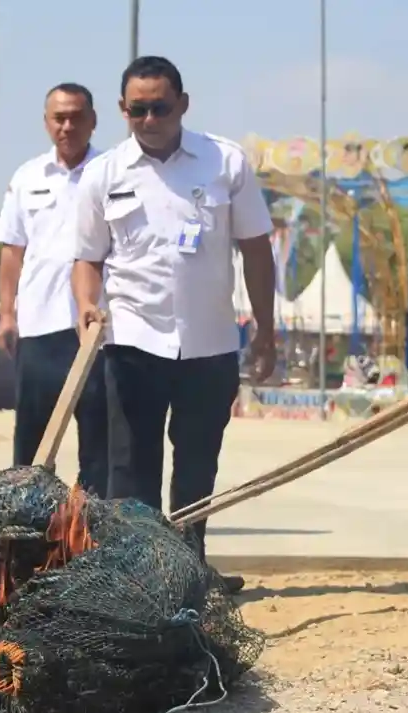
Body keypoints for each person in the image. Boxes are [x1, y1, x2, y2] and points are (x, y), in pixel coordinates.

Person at [70, 56, 277, 592]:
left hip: (209, 343)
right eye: (137, 109)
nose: (149, 118)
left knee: (198, 463)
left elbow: (257, 253)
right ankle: (137, 577)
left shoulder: (225, 163)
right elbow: (87, 259)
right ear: (122, 110)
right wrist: (86, 307)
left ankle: (189, 570)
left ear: (182, 104)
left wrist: (267, 331)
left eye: (160, 107)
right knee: (132, 465)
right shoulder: (104, 174)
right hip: (133, 340)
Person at [0, 82, 109, 495]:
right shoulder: (27, 177)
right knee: (32, 437)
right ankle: (26, 515)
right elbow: (12, 251)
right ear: (46, 123)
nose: (67, 126)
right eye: (59, 117)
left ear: (93, 121)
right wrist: (7, 314)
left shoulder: (112, 172)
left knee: (100, 437)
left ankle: (92, 523)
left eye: (77, 117)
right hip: (39, 325)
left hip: (95, 329)